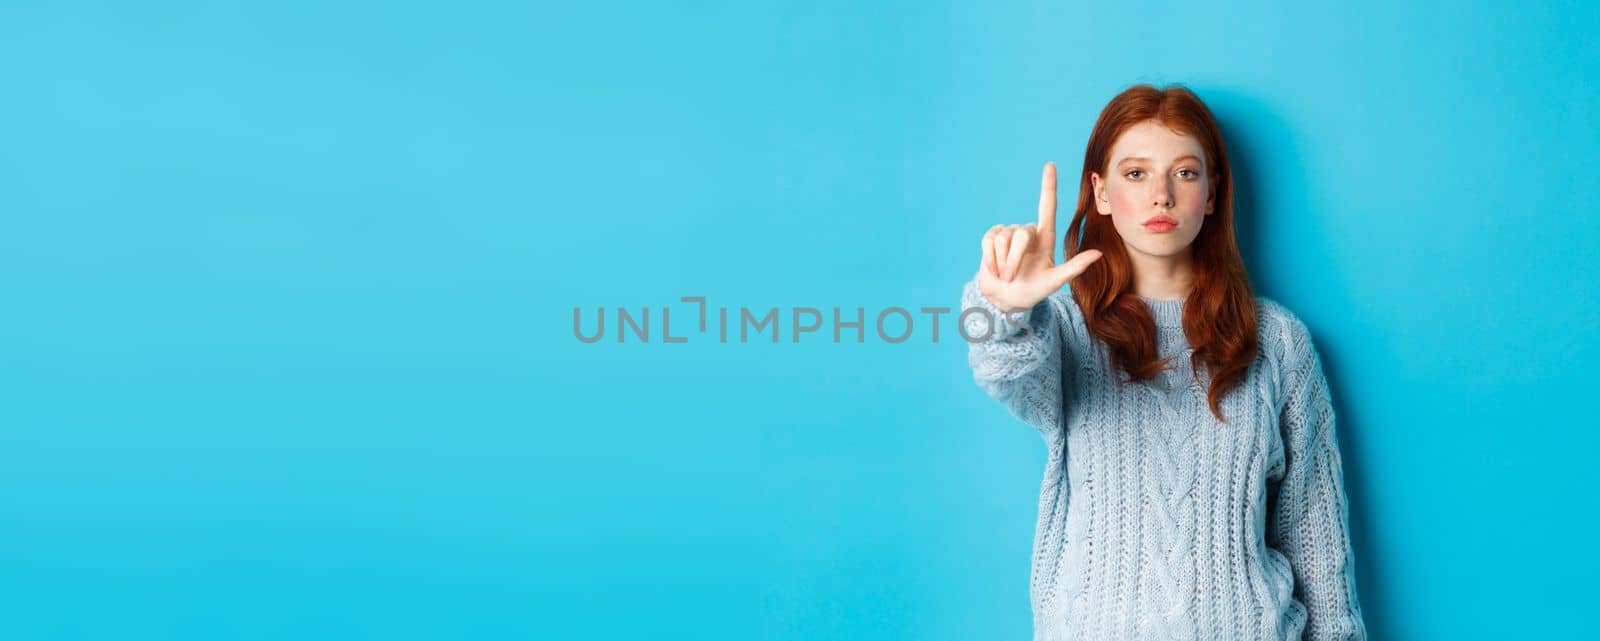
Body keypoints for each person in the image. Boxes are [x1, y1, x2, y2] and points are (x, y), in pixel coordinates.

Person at [960, 84, 1367, 641]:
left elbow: (1313, 533)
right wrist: (1003, 308)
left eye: (1184, 173)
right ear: (1100, 192)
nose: (1161, 196)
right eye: (1135, 174)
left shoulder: (1278, 341)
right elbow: (1003, 369)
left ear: (1213, 192)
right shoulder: (1065, 327)